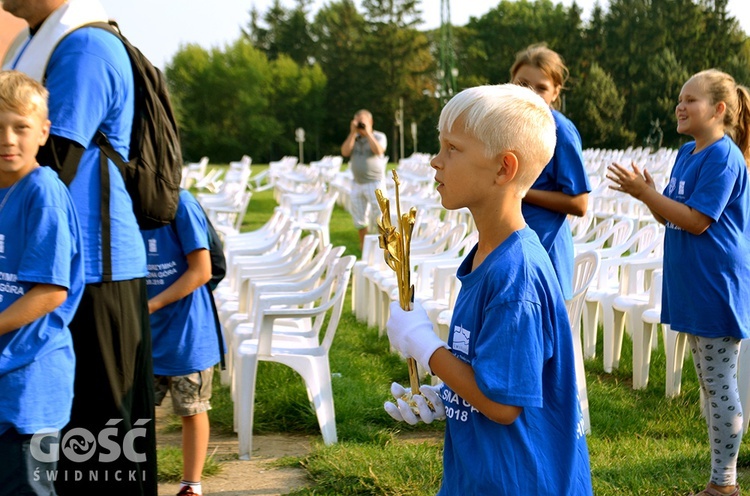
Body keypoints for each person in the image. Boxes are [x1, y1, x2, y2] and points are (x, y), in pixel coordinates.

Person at [384, 84, 593, 494]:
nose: (435, 161)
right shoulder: (488, 254)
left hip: (521, 480)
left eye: (452, 149)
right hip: (483, 475)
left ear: (503, 168)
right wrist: (448, 396)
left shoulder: (516, 275)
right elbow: (491, 376)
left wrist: (426, 348)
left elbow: (502, 404)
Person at [1, 1, 157, 493]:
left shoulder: (85, 44)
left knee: (104, 445)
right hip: (48, 269)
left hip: (96, 272)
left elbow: (53, 160)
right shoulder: (28, 40)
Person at [608, 69, 750, 496]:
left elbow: (699, 221)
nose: (680, 105)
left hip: (715, 283)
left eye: (691, 99)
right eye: (679, 98)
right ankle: (718, 479)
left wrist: (648, 194)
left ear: (719, 110)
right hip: (692, 282)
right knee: (709, 381)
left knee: (719, 381)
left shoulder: (724, 156)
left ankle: (723, 485)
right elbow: (673, 214)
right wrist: (648, 195)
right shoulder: (687, 152)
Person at [0, 70, 84, 496]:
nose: (8, 139)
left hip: (28, 379)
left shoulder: (43, 192)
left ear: (43, 132)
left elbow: (51, 291)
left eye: (20, 127)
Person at [140, 189, 222, 496]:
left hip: (187, 333)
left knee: (192, 409)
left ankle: (191, 485)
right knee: (132, 413)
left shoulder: (182, 203)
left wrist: (149, 305)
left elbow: (202, 271)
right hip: (142, 333)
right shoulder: (123, 201)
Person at [510, 43, 591, 300]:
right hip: (511, 245)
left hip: (546, 249)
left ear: (556, 92)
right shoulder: (505, 126)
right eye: (522, 84)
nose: (531, 94)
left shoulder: (561, 131)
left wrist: (520, 191)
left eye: (541, 88)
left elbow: (579, 203)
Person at [340, 109, 388, 249]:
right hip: (357, 183)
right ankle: (364, 246)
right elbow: (345, 152)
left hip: (375, 182)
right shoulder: (354, 138)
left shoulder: (379, 136)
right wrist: (353, 132)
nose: (360, 125)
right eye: (358, 122)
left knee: (381, 216)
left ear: (370, 122)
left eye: (363, 122)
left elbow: (379, 150)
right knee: (359, 218)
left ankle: (385, 246)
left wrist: (368, 134)